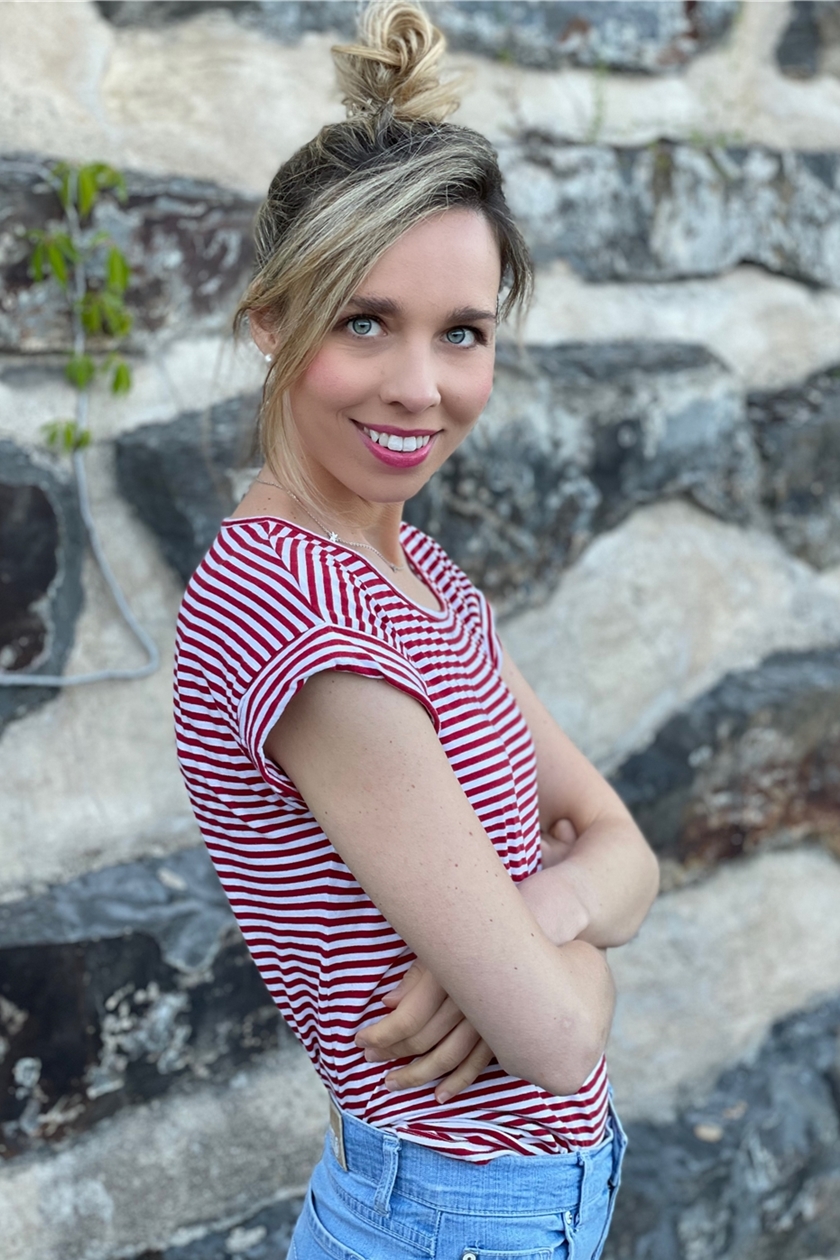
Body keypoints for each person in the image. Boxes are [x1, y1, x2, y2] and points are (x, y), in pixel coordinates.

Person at [173, 4, 660, 1256]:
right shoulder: (299, 612)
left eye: (463, 334)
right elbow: (557, 1036)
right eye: (364, 321)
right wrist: (562, 951)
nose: (420, 387)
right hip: (451, 1213)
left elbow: (626, 848)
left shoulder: (414, 572)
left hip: (487, 1206)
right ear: (272, 319)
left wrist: (533, 921)